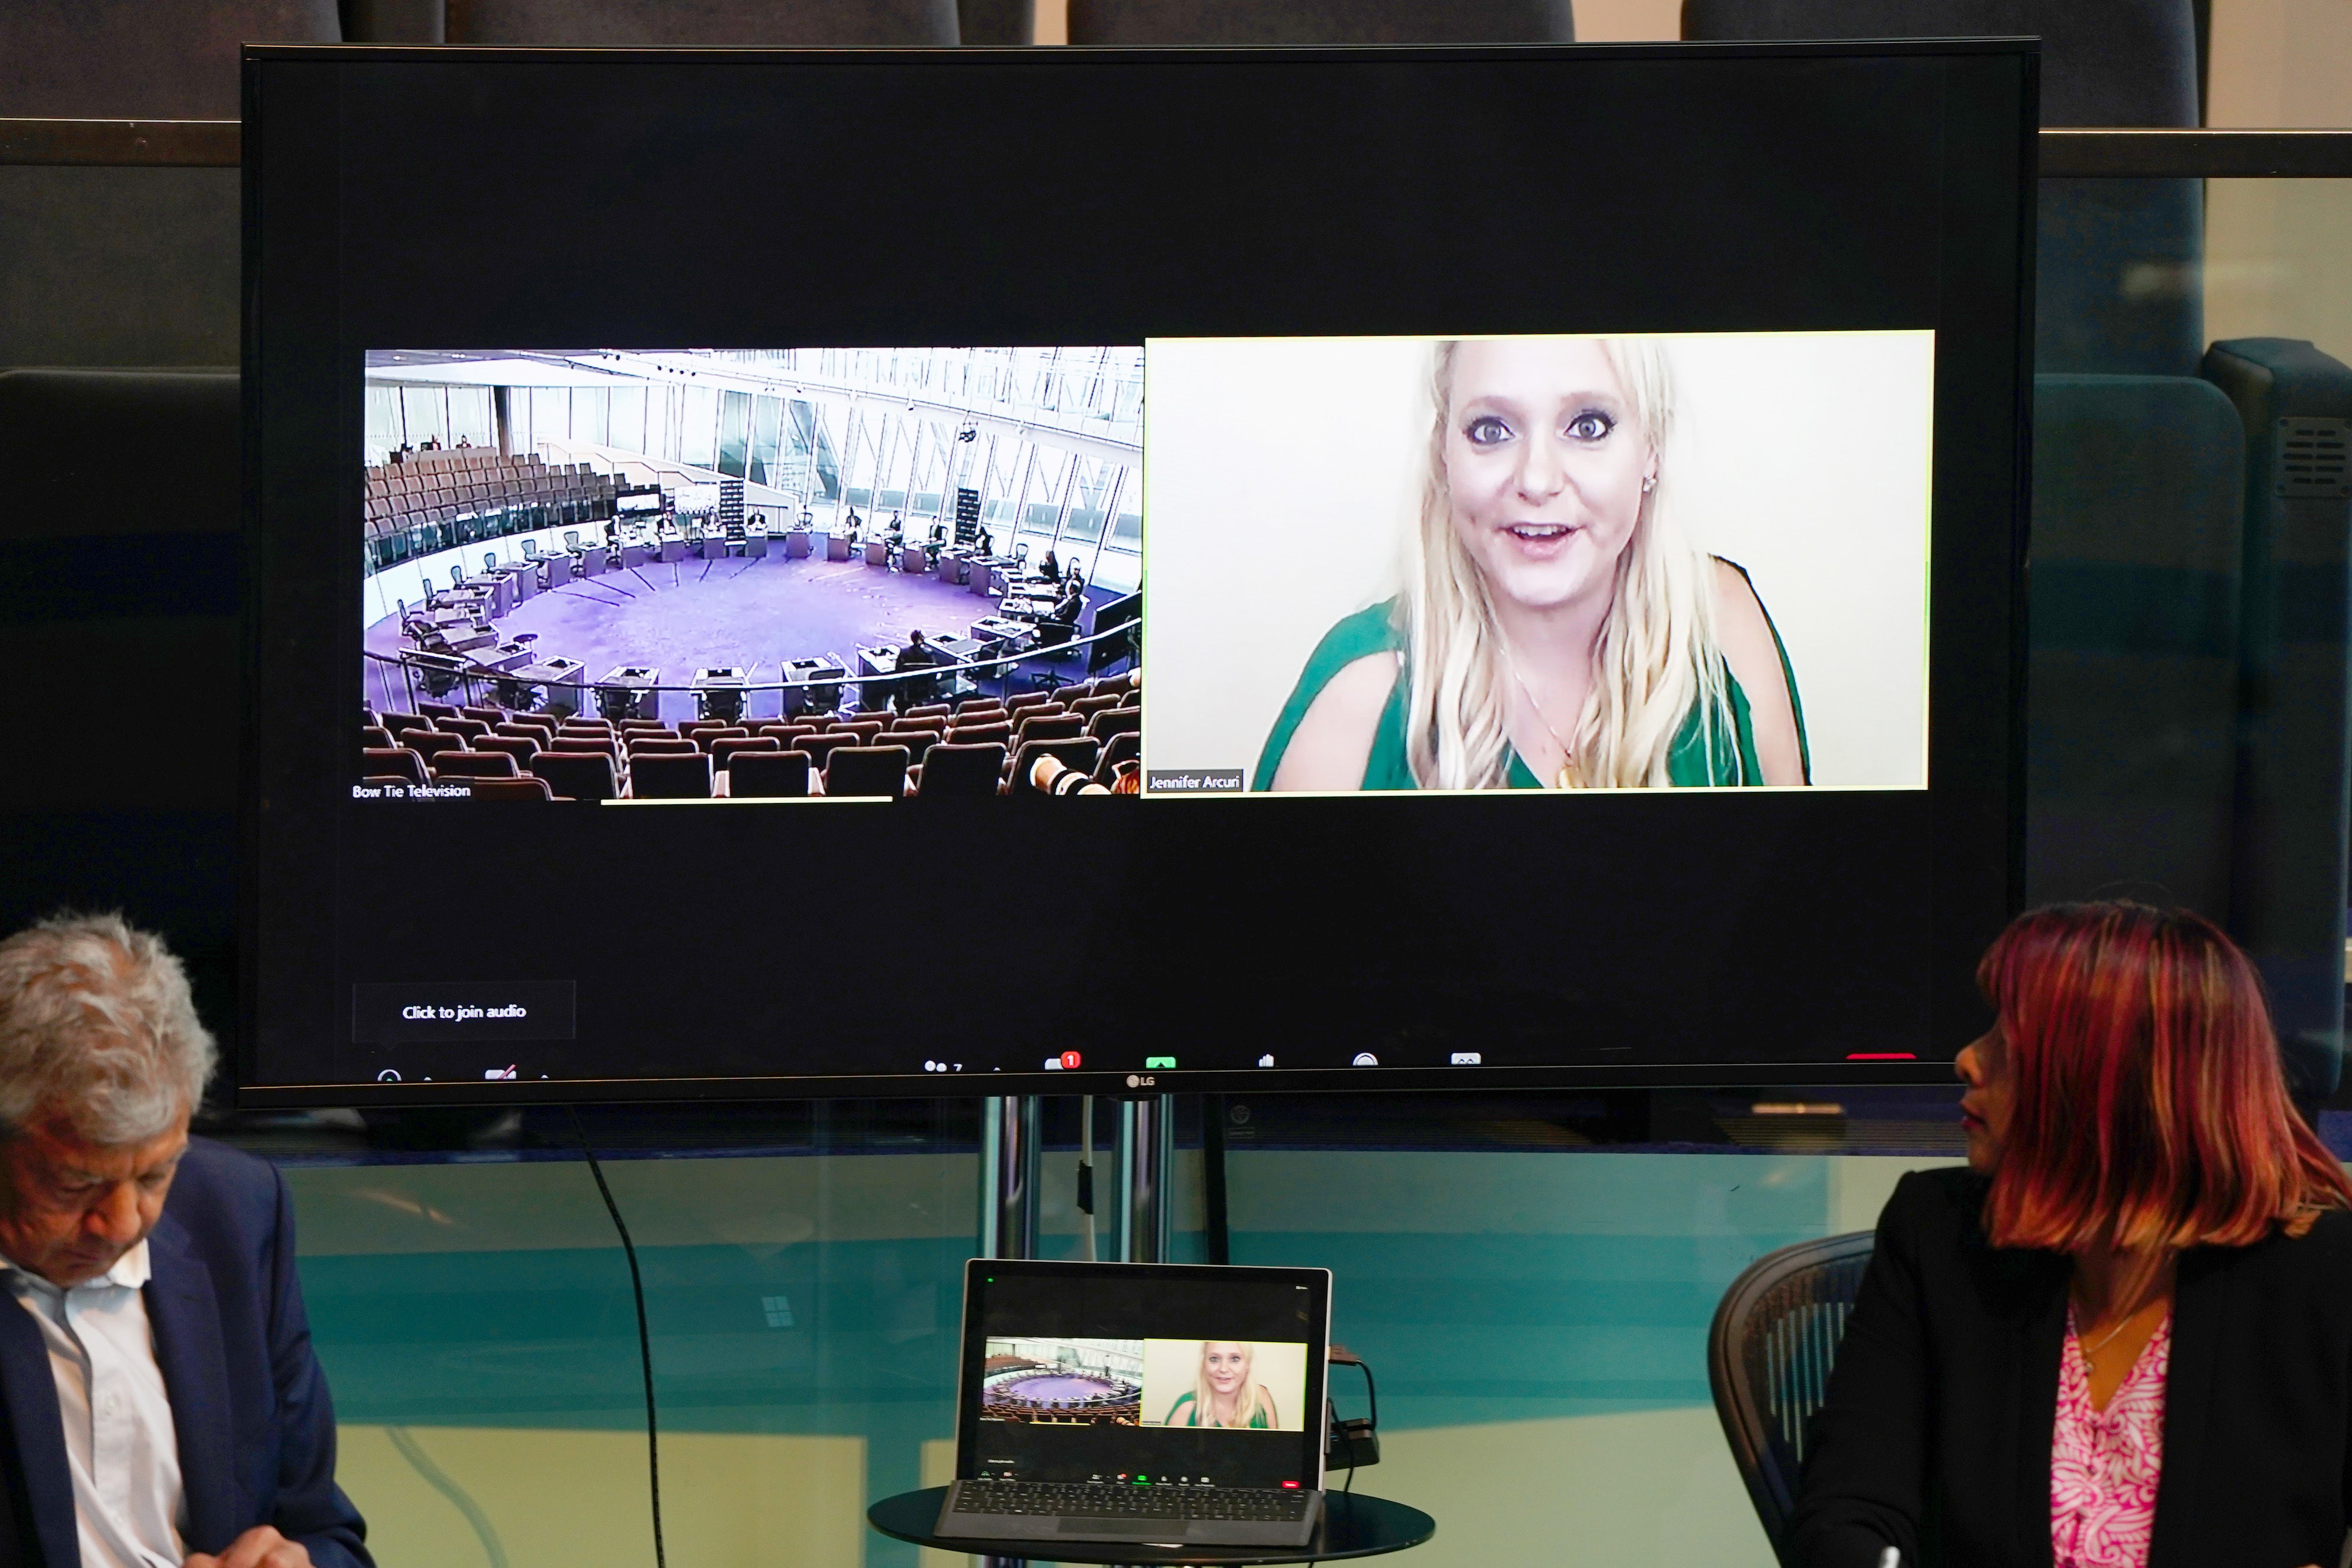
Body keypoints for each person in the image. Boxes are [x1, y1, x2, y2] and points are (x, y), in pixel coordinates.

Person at [1792, 901, 2352, 1568]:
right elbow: (1850, 1507)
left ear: (2111, 1081)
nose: (1968, 1060)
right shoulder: (1936, 1230)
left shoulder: (2325, 1272)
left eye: (2010, 1039)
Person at [1254, 337, 1807, 792]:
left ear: (1652, 449)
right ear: (1444, 455)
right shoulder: (1358, 695)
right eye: (1492, 429)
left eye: (1588, 426)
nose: (1537, 480)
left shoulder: (1722, 622)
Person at [0, 914, 369, 1568]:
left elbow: (325, 1529)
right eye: (75, 1184)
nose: (121, 1224)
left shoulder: (234, 1211)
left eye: (154, 1174)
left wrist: (299, 1563)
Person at [1161, 1342, 1279, 1429]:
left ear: (1247, 1365)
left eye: (1235, 1359)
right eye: (1214, 1359)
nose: (1223, 1369)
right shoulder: (1186, 1408)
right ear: (1204, 1365)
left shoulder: (1262, 1398)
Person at [893, 628, 946, 711]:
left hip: (908, 688)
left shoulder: (903, 652)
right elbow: (933, 673)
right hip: (924, 689)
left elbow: (897, 671)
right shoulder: (928, 654)